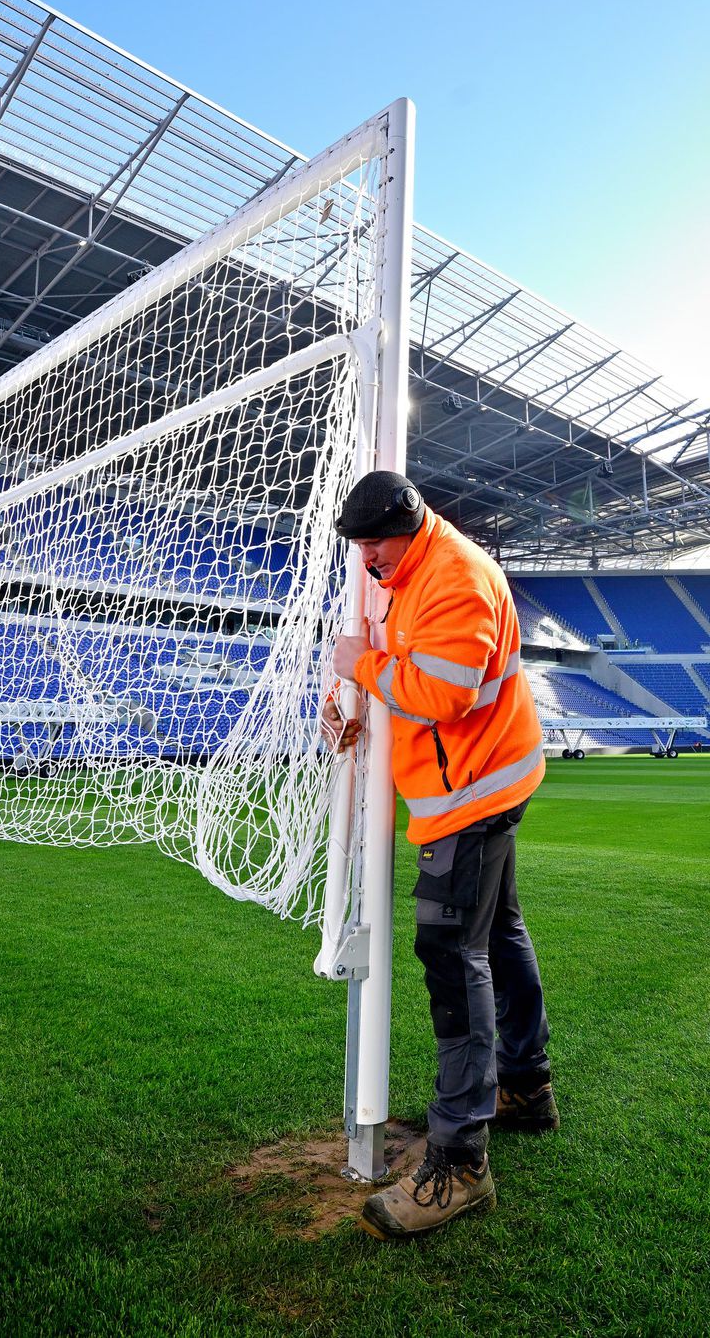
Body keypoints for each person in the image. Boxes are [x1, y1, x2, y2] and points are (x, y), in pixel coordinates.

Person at [322, 470, 556, 1240]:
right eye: (356, 548)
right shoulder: (409, 567)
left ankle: (460, 1163)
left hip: (475, 791)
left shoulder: (453, 576)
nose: (364, 561)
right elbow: (405, 660)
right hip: (492, 774)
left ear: (409, 524)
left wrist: (359, 667)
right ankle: (522, 1085)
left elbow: (440, 694)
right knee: (499, 935)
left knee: (453, 956)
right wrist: (355, 698)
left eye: (373, 545)